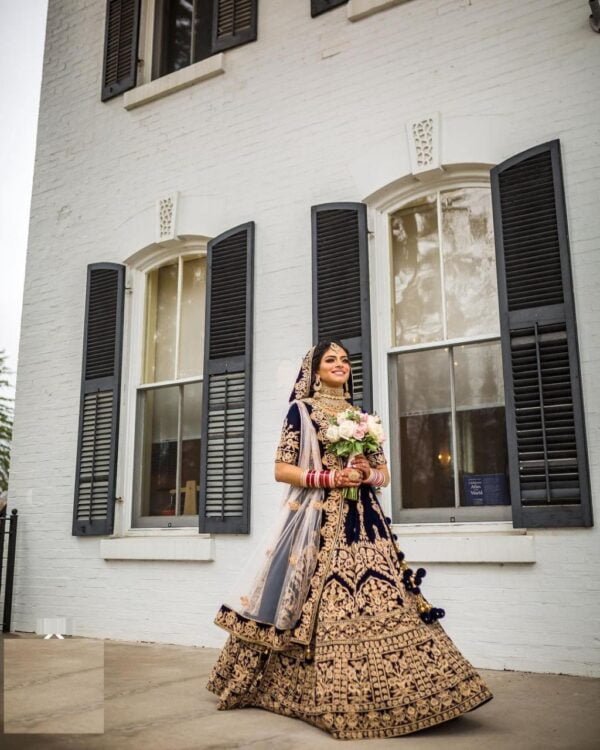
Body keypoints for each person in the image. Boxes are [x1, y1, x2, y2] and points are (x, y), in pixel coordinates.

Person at [206, 341, 494, 740]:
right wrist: (329, 478)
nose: (340, 365)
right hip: (318, 522)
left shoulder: (360, 416)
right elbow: (281, 469)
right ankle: (317, 691)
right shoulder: (302, 411)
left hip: (366, 522)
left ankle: (411, 691)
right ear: (316, 370)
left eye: (344, 360)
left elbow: (384, 474)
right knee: (311, 598)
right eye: (331, 360)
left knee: (386, 598)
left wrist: (364, 472)